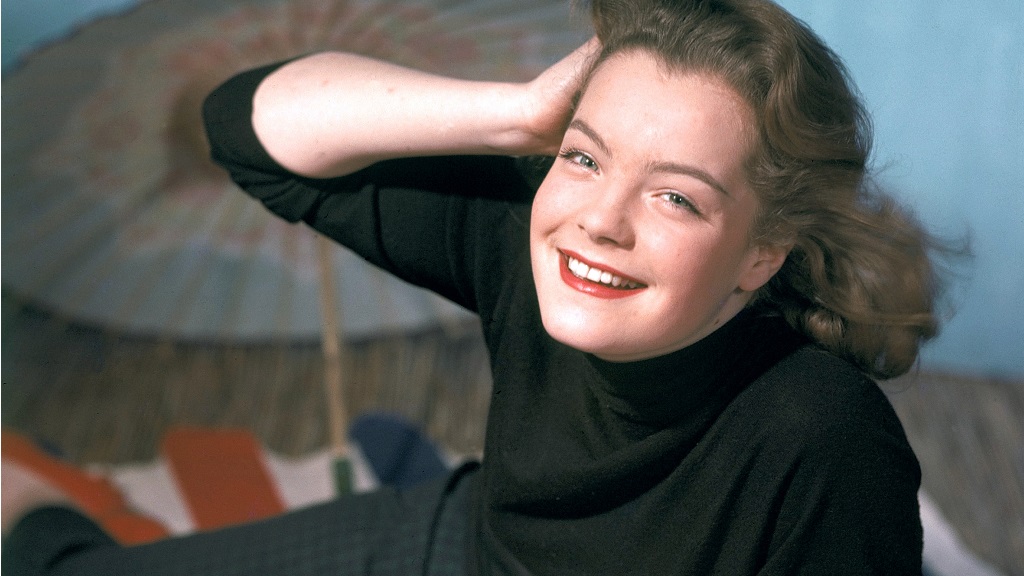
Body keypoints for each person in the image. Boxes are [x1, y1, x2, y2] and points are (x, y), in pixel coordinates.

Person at [3, 0, 951, 573]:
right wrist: (518, 115)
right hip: (460, 549)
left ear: (760, 254)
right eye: (585, 158)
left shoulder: (824, 441)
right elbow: (243, 130)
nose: (600, 221)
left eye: (675, 196)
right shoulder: (527, 230)